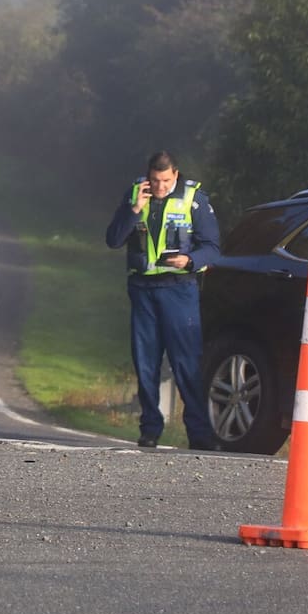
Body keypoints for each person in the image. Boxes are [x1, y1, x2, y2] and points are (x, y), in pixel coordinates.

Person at [105, 151, 222, 450]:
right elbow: (113, 239)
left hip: (179, 289)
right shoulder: (135, 194)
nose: (159, 186)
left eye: (165, 180)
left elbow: (213, 247)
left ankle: (198, 433)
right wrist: (134, 210)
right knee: (146, 363)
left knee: (187, 363)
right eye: (155, 180)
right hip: (143, 290)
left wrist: (190, 260)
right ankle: (150, 430)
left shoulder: (194, 198)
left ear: (176, 175)